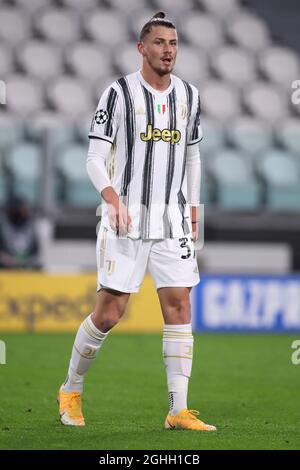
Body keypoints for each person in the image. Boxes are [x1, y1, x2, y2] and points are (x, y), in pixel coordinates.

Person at [58, 12, 216, 432]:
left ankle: (178, 410)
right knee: (110, 313)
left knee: (180, 305)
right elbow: (94, 158)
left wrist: (194, 209)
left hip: (173, 218)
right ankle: (71, 389)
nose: (169, 50)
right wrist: (112, 198)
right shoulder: (118, 94)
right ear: (141, 48)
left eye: (174, 43)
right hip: (126, 218)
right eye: (160, 42)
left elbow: (193, 155)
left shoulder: (189, 96)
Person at [0, 195, 40, 270]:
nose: (26, 210)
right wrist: (7, 259)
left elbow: (36, 250)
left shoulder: (30, 225)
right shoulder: (3, 224)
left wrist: (27, 260)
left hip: (25, 264)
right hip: (5, 266)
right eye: (22, 208)